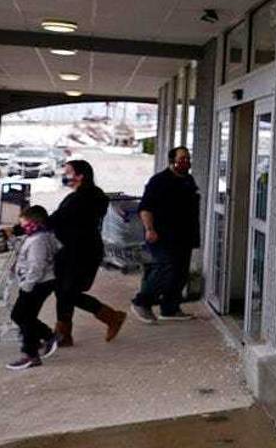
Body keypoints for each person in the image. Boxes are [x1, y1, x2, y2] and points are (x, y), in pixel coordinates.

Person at [48, 159, 127, 346]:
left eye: (67, 173)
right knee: (62, 290)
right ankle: (64, 334)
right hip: (73, 251)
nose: (64, 176)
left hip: (81, 253)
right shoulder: (88, 196)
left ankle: (111, 317)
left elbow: (56, 220)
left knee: (68, 292)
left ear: (80, 176)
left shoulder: (81, 198)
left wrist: (26, 226)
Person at [130, 146, 200, 323]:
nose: (186, 162)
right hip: (162, 236)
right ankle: (142, 302)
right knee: (165, 268)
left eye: (188, 159)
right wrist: (149, 229)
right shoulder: (159, 181)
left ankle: (170, 308)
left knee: (180, 273)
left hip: (185, 236)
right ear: (171, 161)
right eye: (182, 159)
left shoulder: (188, 180)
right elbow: (146, 208)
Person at [7, 205, 61, 370]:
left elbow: (37, 265)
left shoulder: (39, 240)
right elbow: (24, 251)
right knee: (20, 315)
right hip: (37, 282)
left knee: (24, 317)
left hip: (38, 283)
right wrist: (11, 239)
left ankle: (30, 354)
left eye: (24, 223)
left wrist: (27, 286)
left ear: (35, 222)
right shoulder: (34, 236)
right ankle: (49, 336)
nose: (22, 226)